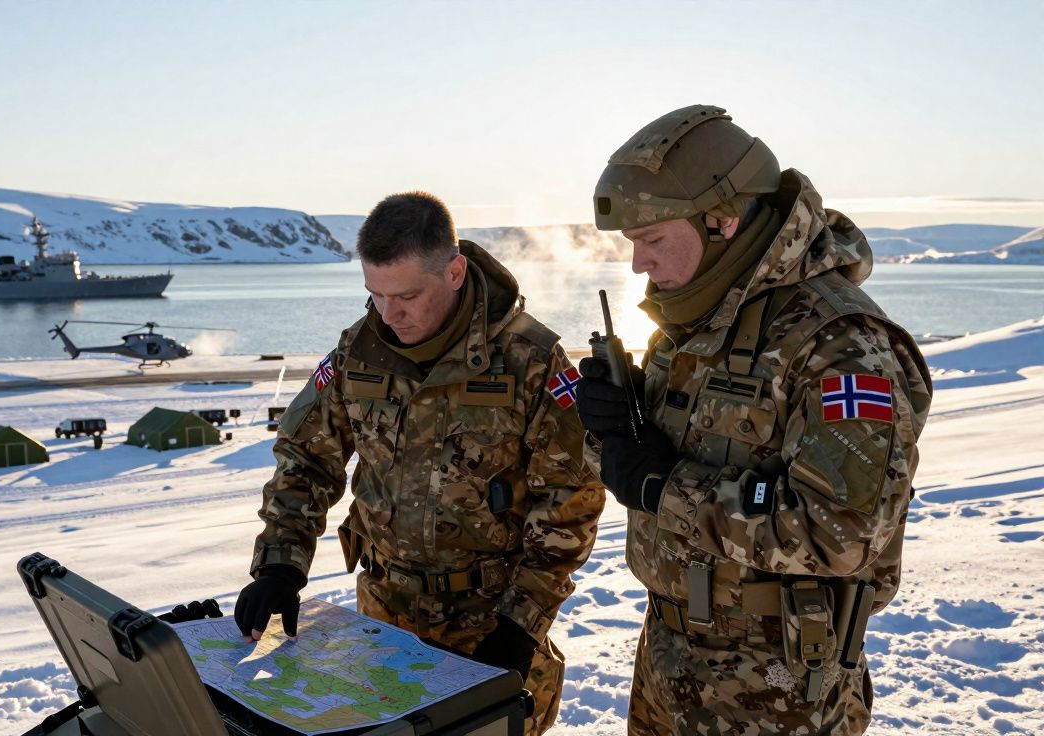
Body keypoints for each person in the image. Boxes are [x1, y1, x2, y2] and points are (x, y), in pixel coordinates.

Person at [577, 105, 933, 734]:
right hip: (668, 658)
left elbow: (840, 534)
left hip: (777, 691)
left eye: (653, 240)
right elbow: (667, 460)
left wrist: (665, 488)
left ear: (723, 219)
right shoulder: (699, 319)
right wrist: (617, 426)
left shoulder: (842, 345)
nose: (638, 265)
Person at [235, 191, 605, 734]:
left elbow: (570, 503)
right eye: (375, 295)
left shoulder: (530, 360)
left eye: (406, 295)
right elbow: (306, 459)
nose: (389, 315)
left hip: (490, 628)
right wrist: (280, 565)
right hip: (383, 624)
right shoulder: (359, 350)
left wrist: (521, 625)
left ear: (454, 272)